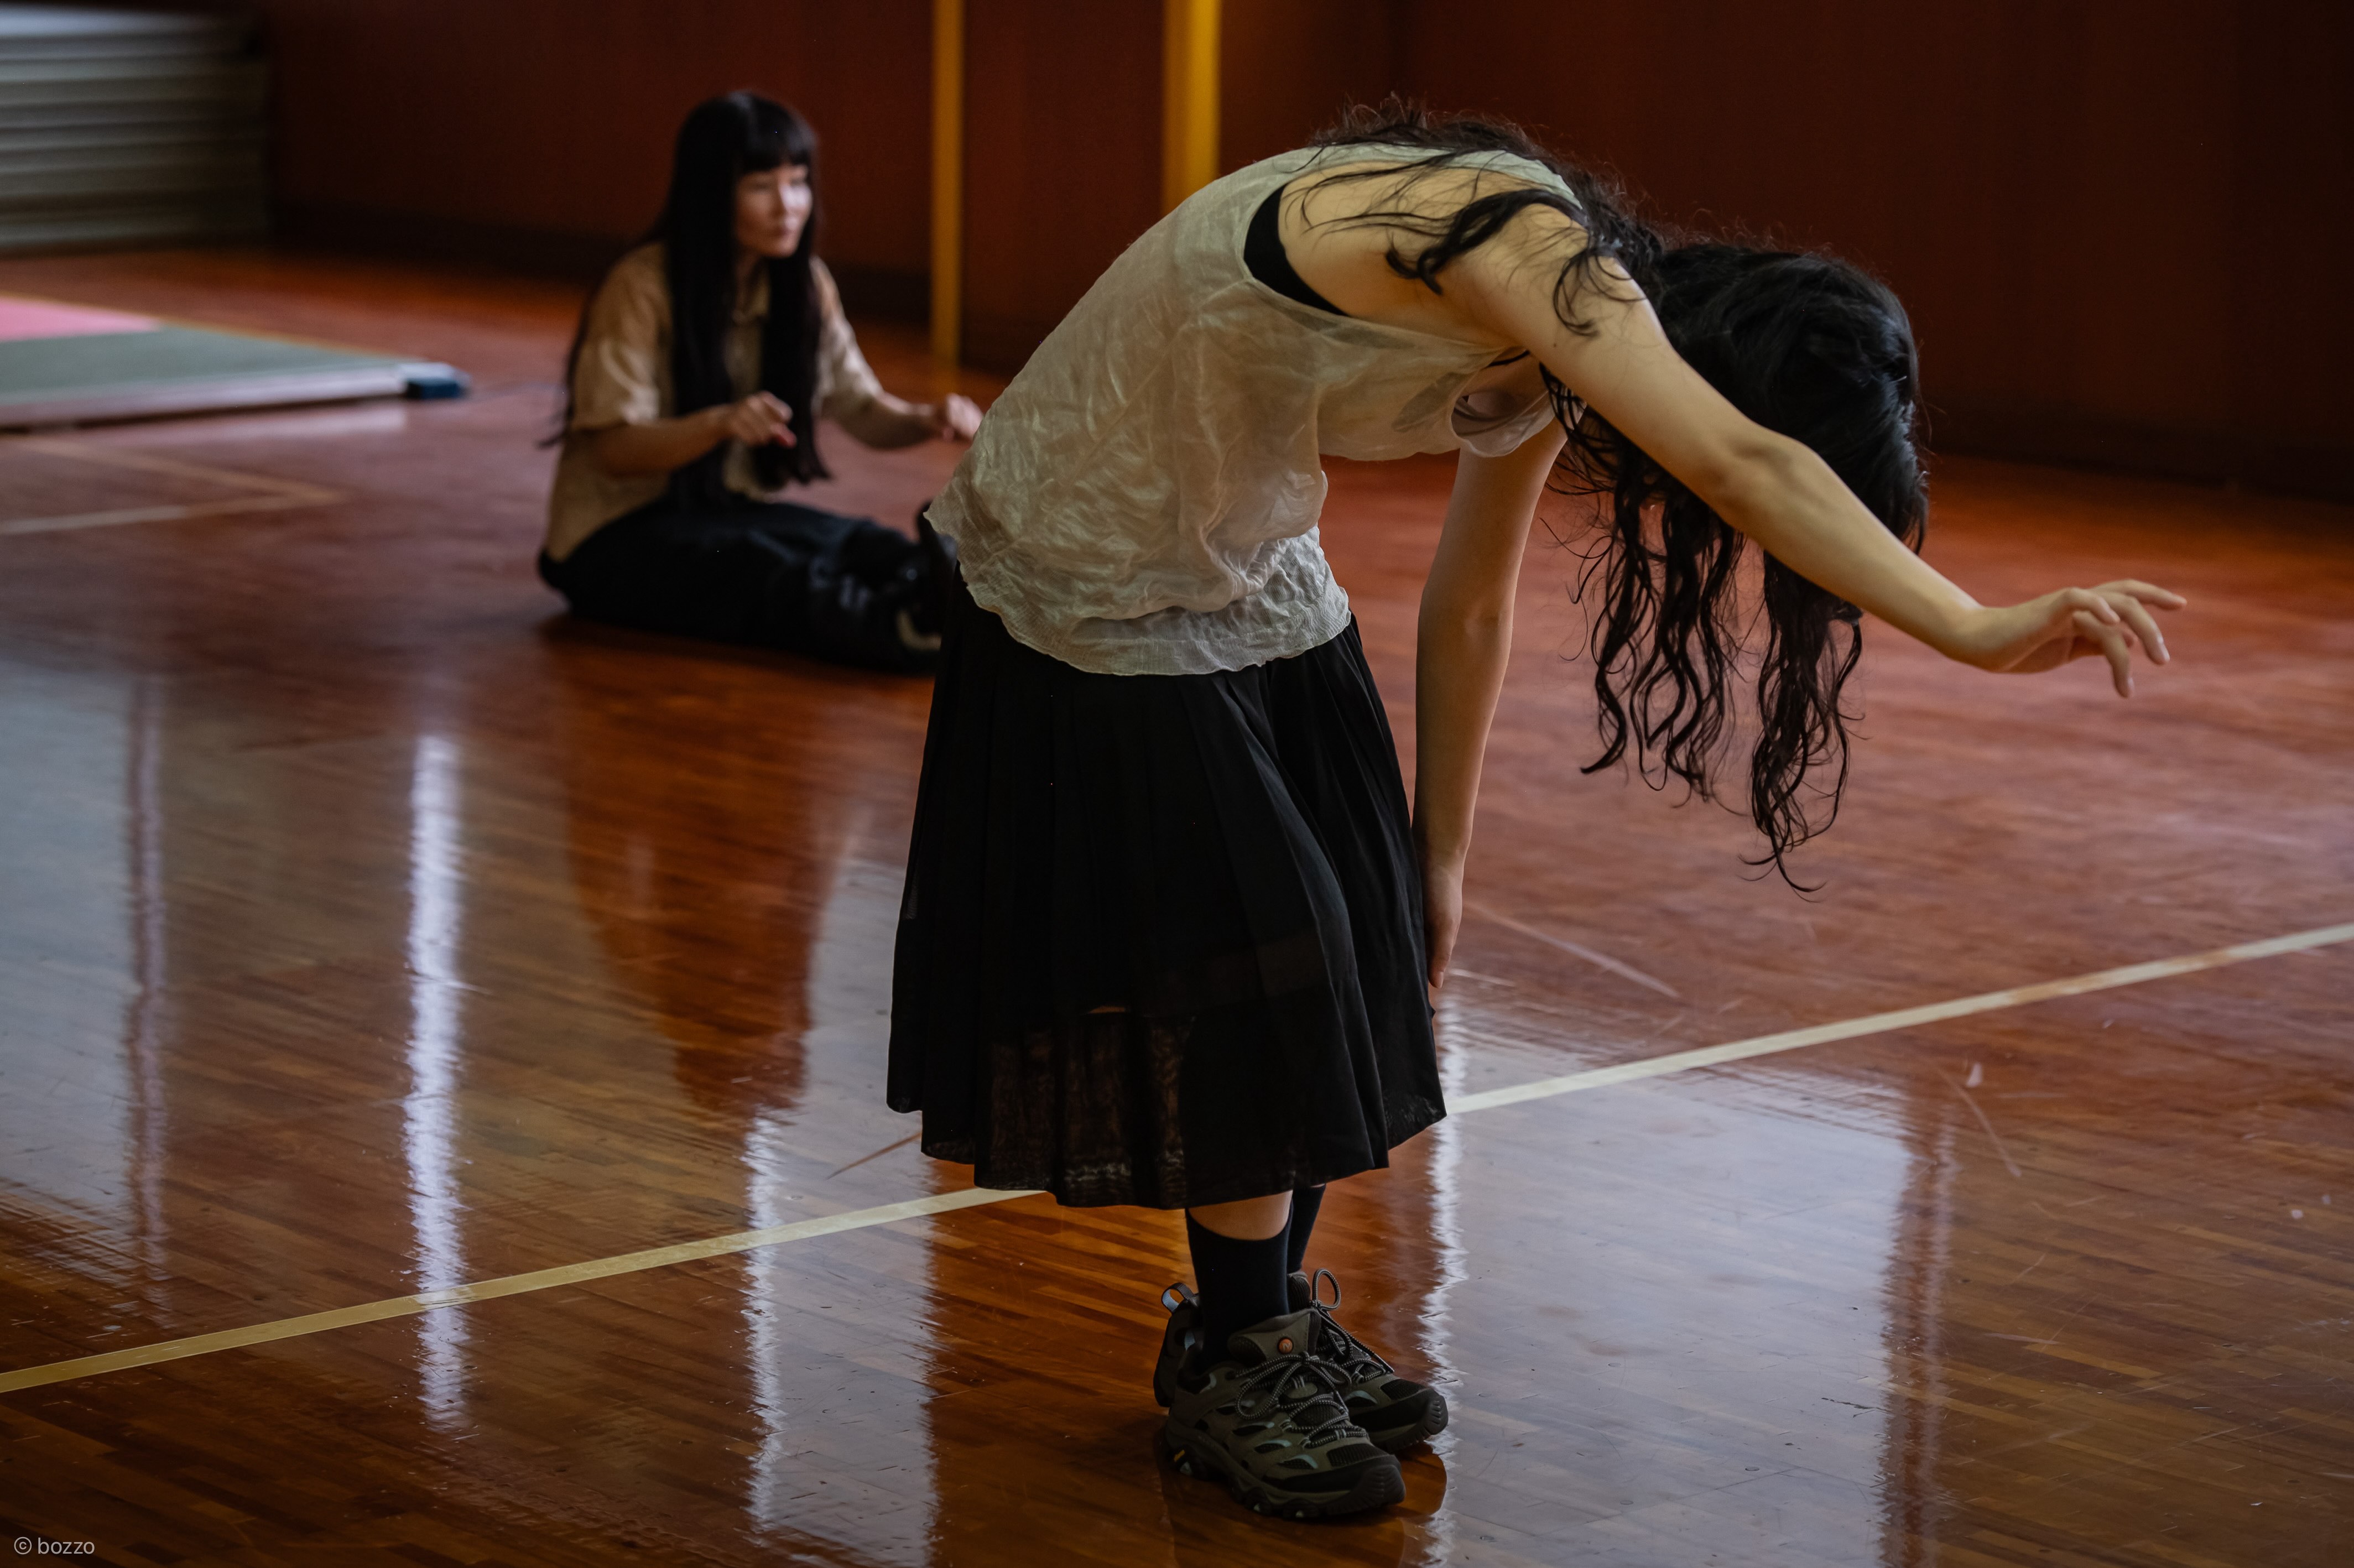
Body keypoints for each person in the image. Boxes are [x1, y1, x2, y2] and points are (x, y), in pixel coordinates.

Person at [887, 103, 2183, 1519]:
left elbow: (1475, 599)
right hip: (1094, 548)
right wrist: (1981, 628)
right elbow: (1750, 467)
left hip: (1244, 555)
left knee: (1362, 938)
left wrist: (1437, 854)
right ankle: (1236, 1357)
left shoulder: (1554, 345)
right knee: (1268, 965)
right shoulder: (1520, 245)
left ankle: (1257, 1321)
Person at [538, 92, 981, 671]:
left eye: (798, 182)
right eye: (761, 186)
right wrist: (718, 423)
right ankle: (914, 631)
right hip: (609, 539)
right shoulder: (641, 287)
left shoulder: (803, 285)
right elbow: (615, 451)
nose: (788, 206)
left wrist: (923, 420)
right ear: (710, 194)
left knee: (858, 544)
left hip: (715, 510)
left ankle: (958, 607)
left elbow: (860, 408)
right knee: (773, 573)